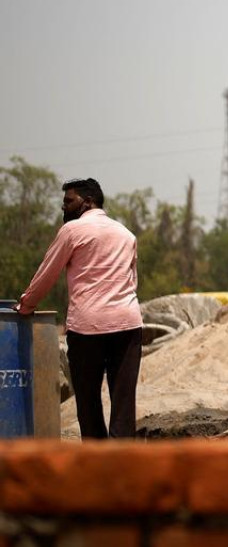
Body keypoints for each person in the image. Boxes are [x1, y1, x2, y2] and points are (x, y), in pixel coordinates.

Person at [15, 178, 143, 439]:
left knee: (87, 401)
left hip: (87, 328)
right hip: (128, 325)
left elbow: (46, 274)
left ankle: (95, 468)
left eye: (68, 201)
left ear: (88, 201)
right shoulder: (126, 234)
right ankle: (125, 470)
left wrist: (26, 305)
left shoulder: (72, 231)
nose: (64, 208)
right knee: (123, 403)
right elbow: (132, 281)